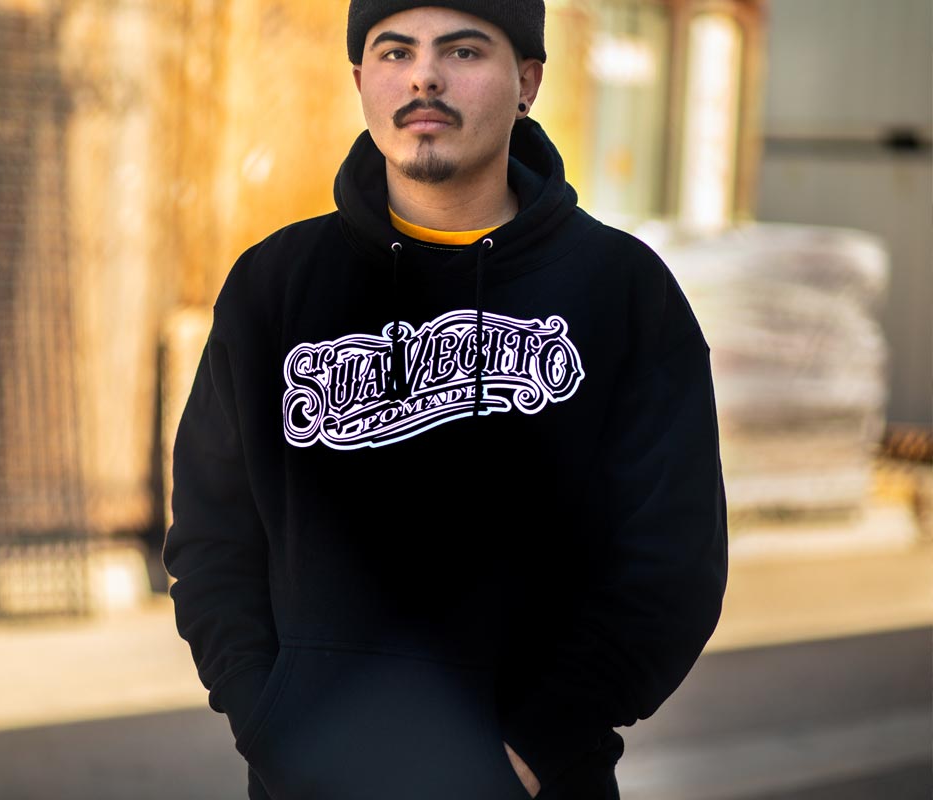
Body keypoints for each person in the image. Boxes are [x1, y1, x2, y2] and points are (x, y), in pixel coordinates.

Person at [162, 1, 729, 798]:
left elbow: (670, 564)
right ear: (361, 80)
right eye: (395, 52)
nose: (423, 76)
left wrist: (530, 754)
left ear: (527, 81)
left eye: (463, 51)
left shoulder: (622, 291)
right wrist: (268, 721)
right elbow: (212, 538)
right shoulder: (276, 284)